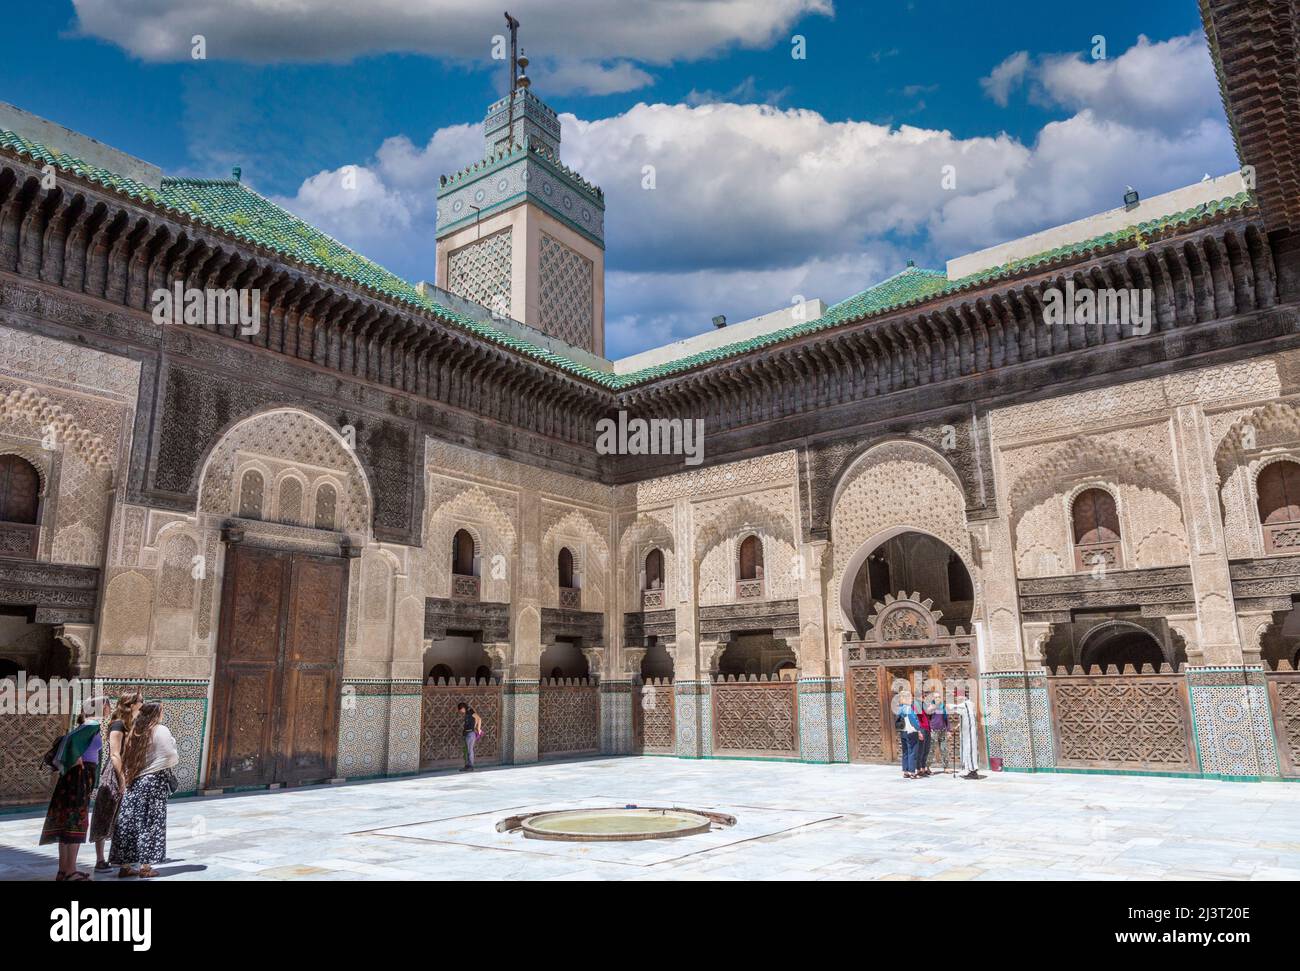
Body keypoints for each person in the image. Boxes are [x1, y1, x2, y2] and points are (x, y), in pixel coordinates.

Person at [40, 697, 108, 880]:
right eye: (107, 705)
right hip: (79, 778)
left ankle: (63, 871)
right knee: (75, 821)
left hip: (71, 779)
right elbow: (70, 743)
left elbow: (68, 740)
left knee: (66, 821)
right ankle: (70, 872)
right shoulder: (92, 725)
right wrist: (76, 760)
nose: (109, 708)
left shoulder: (84, 725)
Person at [109, 702, 178, 878]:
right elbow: (170, 755)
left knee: (129, 823)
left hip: (134, 781)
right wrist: (156, 766)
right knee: (149, 822)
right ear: (157, 714)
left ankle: (125, 867)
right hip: (153, 782)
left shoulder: (135, 731)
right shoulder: (159, 729)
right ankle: (145, 868)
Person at [89, 690, 143, 872]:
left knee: (122, 817)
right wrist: (121, 779)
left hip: (125, 772)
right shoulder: (118, 725)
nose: (142, 704)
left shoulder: (130, 724)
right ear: (130, 704)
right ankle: (100, 860)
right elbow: (114, 754)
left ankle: (121, 858)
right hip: (114, 774)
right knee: (105, 814)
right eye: (140, 702)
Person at [953, 686, 983, 780]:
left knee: (970, 749)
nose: (956, 698)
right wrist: (958, 725)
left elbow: (956, 708)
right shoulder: (965, 705)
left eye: (957, 696)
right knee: (967, 749)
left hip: (969, 733)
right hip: (966, 732)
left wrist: (950, 706)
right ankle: (969, 770)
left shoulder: (967, 704)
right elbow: (964, 715)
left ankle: (973, 771)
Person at [895, 689, 924, 779]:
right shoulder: (908, 708)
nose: (912, 699)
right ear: (906, 698)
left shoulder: (899, 708)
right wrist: (919, 729)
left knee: (905, 752)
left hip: (903, 732)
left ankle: (905, 771)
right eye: (910, 697)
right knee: (912, 752)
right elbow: (913, 720)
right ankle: (912, 772)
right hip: (911, 732)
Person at [926, 693, 950, 773]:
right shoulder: (931, 706)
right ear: (933, 698)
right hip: (933, 730)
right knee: (931, 749)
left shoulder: (943, 706)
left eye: (939, 697)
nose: (937, 698)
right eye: (936, 697)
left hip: (942, 730)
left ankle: (946, 767)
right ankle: (927, 767)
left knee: (944, 749)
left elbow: (946, 719)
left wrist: (948, 730)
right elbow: (927, 716)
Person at [456, 701, 482, 772]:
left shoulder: (470, 711)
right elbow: (476, 719)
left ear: (463, 708)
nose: (461, 712)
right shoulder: (467, 713)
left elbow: (479, 718)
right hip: (467, 733)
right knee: (467, 750)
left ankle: (470, 766)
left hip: (470, 734)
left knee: (470, 750)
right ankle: (467, 765)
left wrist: (478, 728)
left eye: (460, 710)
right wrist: (475, 725)